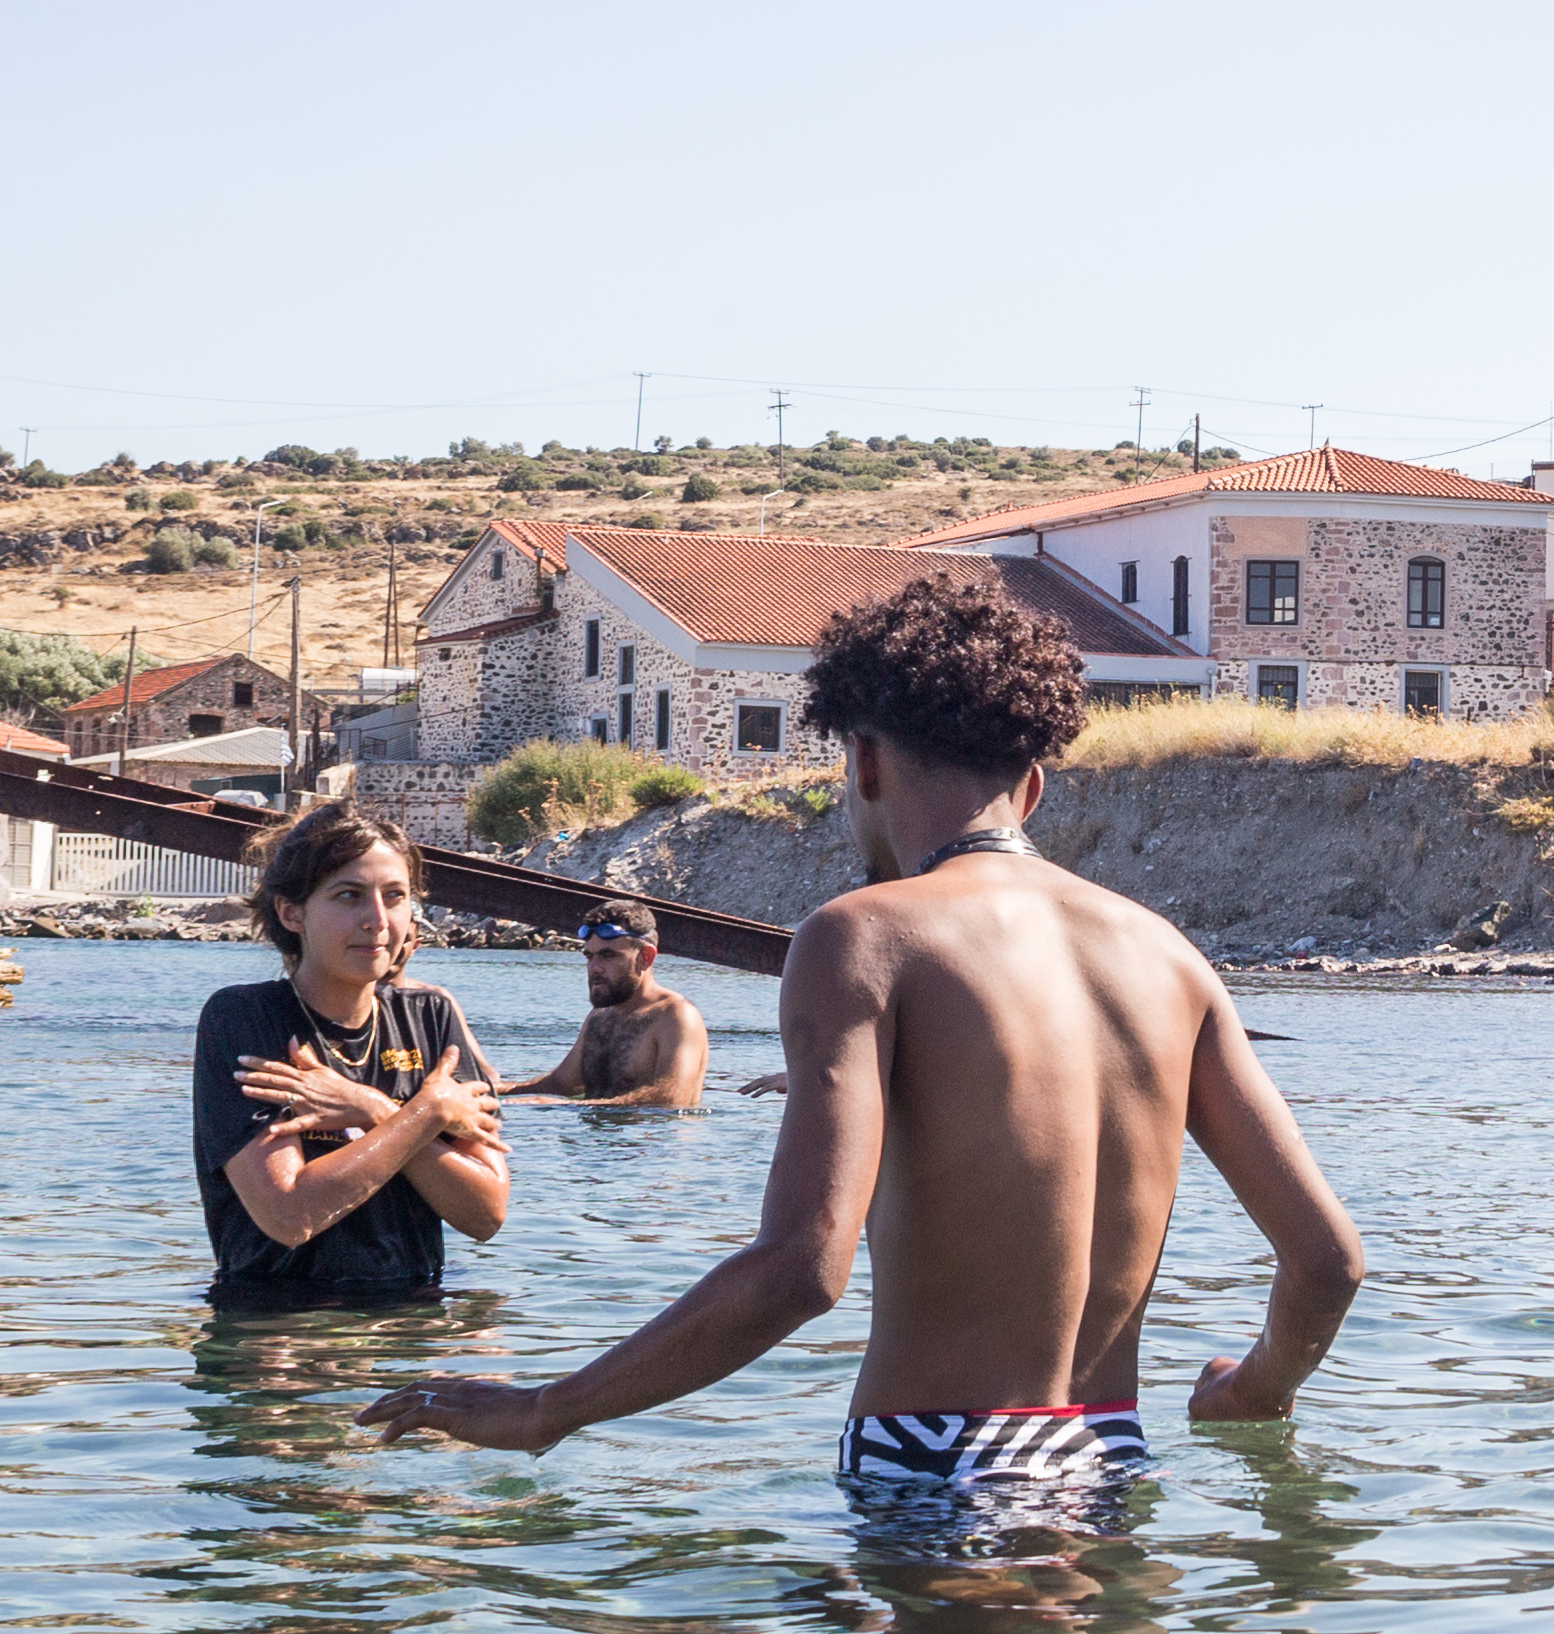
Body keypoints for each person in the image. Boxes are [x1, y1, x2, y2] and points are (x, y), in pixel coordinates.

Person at [363, 572, 1363, 1483]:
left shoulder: (864, 937)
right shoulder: (1166, 958)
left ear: (868, 763)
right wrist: (1258, 1389)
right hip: (1108, 1453)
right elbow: (1327, 1258)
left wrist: (547, 1409)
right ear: (1034, 786)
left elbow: (801, 1270)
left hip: (935, 1460)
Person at [193, 806, 509, 1314]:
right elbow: (289, 1214)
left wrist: (375, 1110)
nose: (378, 922)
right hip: (279, 1321)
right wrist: (426, 1113)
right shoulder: (245, 1018)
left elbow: (486, 1213)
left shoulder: (432, 1017)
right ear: (291, 912)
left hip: (415, 1312)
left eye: (395, 896)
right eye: (349, 896)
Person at [502, 900, 710, 1109]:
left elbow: (671, 1099)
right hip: (593, 1138)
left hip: (651, 1140)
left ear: (645, 957)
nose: (594, 968)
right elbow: (560, 1084)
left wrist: (564, 1105)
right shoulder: (600, 1015)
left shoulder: (676, 1015)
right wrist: (486, 1091)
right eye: (589, 956)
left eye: (608, 956)